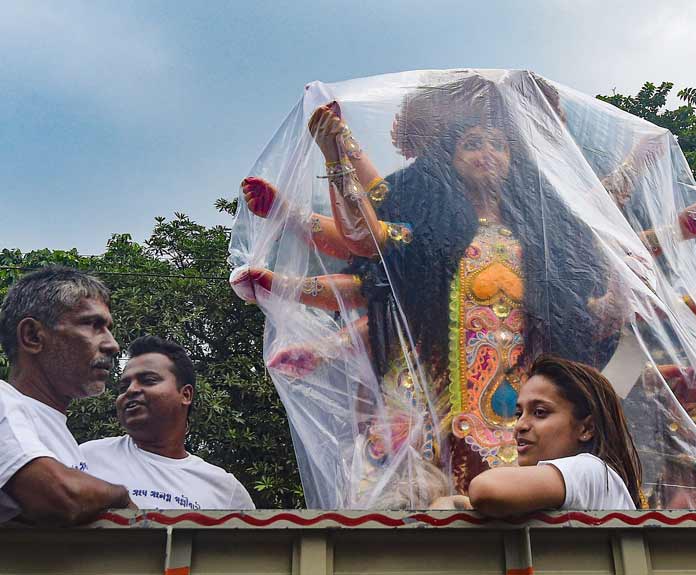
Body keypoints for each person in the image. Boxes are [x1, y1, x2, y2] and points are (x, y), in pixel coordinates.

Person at [233, 76, 624, 505]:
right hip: (427, 404)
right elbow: (365, 237)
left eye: (499, 145)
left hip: (514, 413)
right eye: (473, 144)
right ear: (448, 159)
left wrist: (622, 288)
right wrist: (337, 155)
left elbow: (585, 294)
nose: (488, 154)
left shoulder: (537, 239)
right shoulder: (428, 235)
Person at [0, 266, 133, 525]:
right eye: (93, 325)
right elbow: (60, 496)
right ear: (32, 336)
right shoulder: (3, 401)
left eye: (107, 327)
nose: (113, 344)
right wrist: (122, 497)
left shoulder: (56, 432)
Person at [437, 355, 641, 515]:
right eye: (519, 414)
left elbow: (485, 489)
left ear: (586, 429)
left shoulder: (592, 471)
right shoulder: (563, 490)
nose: (520, 426)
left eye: (540, 412)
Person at [81, 336, 255, 510]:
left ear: (185, 395)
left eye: (149, 380)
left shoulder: (226, 491)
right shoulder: (86, 458)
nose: (131, 390)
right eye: (123, 387)